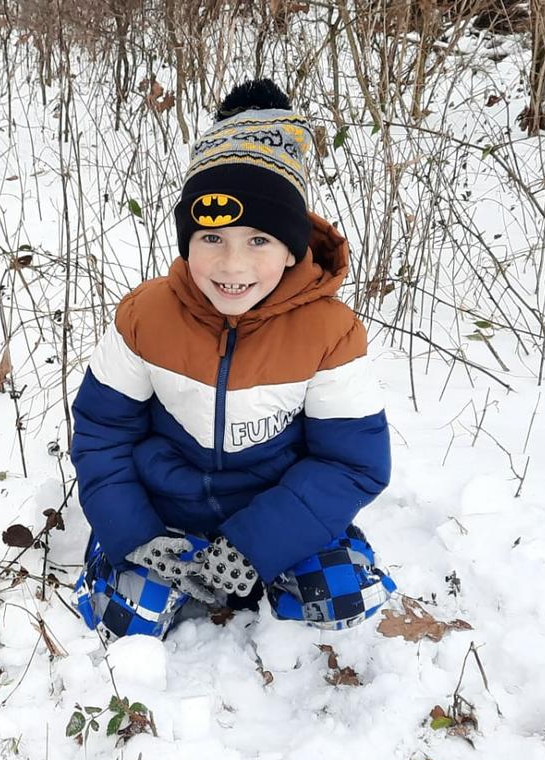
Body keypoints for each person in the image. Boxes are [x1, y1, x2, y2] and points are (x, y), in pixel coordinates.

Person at [70, 79, 395, 641]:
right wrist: (135, 532)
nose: (232, 265)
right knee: (124, 620)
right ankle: (135, 561)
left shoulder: (329, 333)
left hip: (273, 513)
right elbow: (103, 432)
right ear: (187, 241)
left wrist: (256, 545)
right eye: (212, 238)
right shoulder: (146, 317)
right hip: (164, 517)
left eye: (259, 240)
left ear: (292, 248)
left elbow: (351, 463)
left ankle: (282, 563)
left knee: (341, 599)